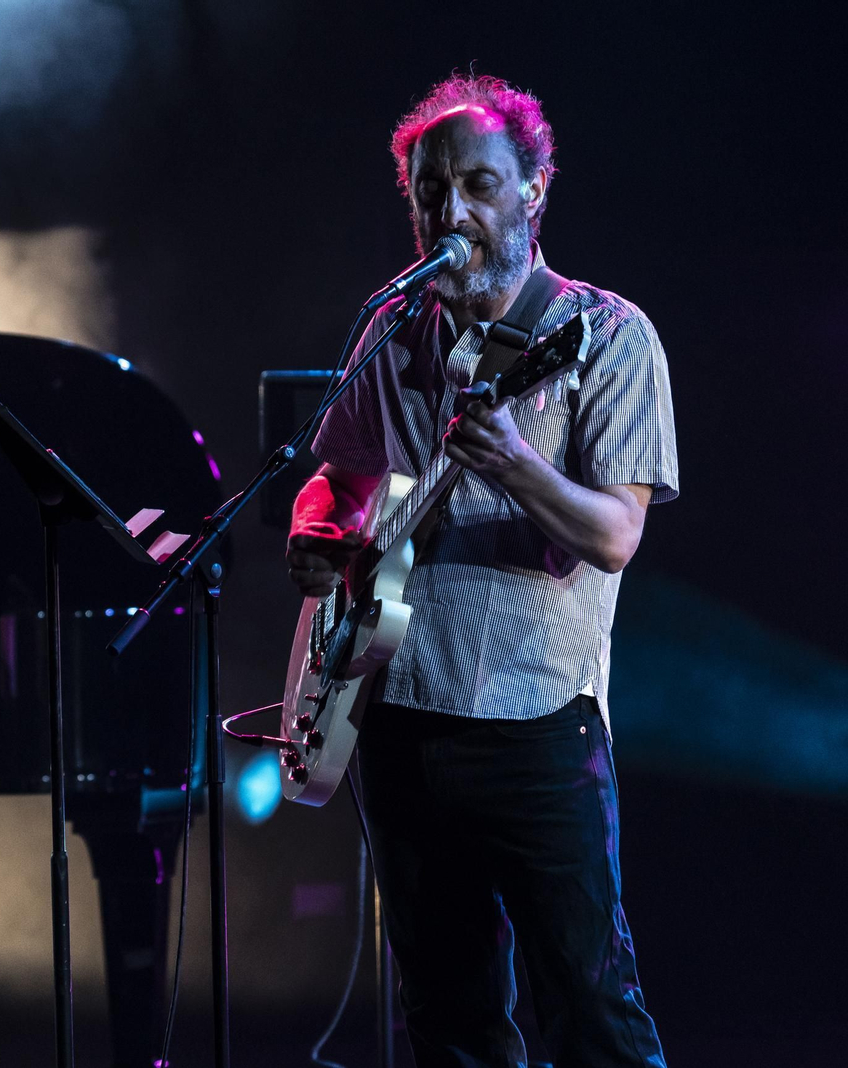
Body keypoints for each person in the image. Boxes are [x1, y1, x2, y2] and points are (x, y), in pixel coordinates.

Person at [286, 74, 677, 1067]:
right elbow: (338, 476)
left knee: (590, 1009)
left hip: (536, 727)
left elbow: (614, 536)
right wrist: (318, 528)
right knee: (447, 1018)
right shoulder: (390, 331)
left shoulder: (606, 334)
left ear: (534, 188)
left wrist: (515, 466)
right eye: (430, 192)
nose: (450, 213)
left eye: (478, 186)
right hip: (397, 722)